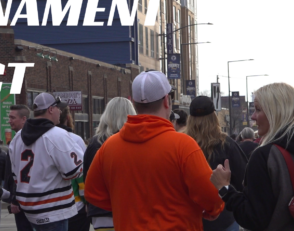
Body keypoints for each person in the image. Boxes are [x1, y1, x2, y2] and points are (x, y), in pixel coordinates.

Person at [84, 70, 224, 231]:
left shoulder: (109, 147)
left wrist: (127, 207)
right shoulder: (183, 146)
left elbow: (92, 193)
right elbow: (211, 200)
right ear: (166, 101)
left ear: (135, 103)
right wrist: (220, 188)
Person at [211, 83, 294, 231]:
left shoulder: (265, 156)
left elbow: (253, 219)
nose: (252, 116)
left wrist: (224, 188)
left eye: (258, 109)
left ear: (276, 113)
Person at [9, 93, 84, 231]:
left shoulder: (17, 137)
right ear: (50, 109)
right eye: (57, 108)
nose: (60, 112)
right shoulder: (57, 134)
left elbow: (15, 176)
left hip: (28, 209)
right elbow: (74, 171)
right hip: (53, 210)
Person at [186, 96, 248, 231]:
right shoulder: (227, 145)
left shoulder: (181, 144)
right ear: (214, 118)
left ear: (190, 119)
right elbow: (244, 179)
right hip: (224, 218)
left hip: (190, 217)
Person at [83, 97, 136, 231]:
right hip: (131, 210)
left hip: (101, 212)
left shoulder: (95, 143)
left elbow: (87, 178)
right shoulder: (135, 142)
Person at [57, 105, 90, 231]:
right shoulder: (76, 140)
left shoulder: (41, 138)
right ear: (68, 117)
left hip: (50, 206)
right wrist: (86, 200)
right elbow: (82, 171)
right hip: (75, 204)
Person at [4, 104, 33, 231]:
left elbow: (15, 174)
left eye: (12, 117)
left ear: (24, 119)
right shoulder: (20, 139)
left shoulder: (19, 140)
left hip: (24, 198)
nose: (9, 120)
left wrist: (14, 199)